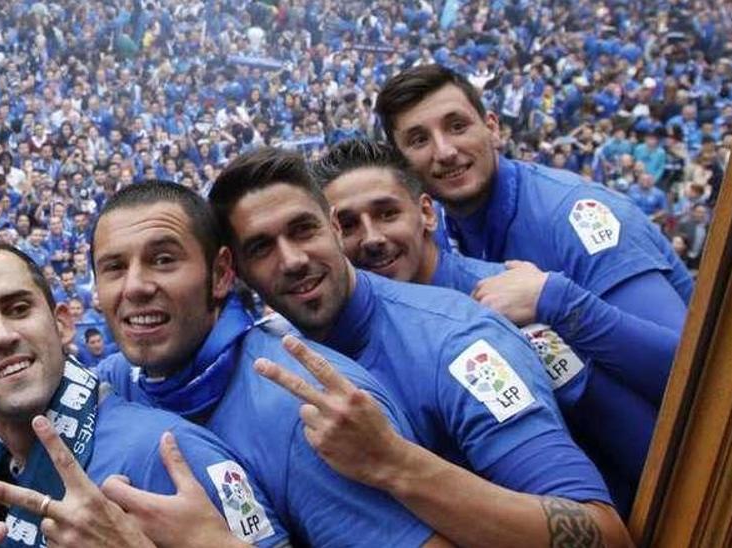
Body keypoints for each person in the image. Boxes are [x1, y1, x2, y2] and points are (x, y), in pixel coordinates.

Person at [208, 146, 629, 546]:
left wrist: (395, 464)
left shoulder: (460, 343)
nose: (293, 259)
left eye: (304, 230)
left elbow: (603, 534)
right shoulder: (268, 367)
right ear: (237, 272)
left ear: (334, 228)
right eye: (261, 248)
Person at [0, 161, 284, 547]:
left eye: (18, 309)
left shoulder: (165, 452)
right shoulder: (5, 473)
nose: (2, 336)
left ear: (63, 324)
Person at [376, 65, 691, 507]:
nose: (444, 151)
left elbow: (692, 373)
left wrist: (557, 301)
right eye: (418, 139)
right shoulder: (443, 232)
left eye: (457, 126)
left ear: (492, 128)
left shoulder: (575, 215)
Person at [80, 180, 442, 546]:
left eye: (163, 260)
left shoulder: (302, 412)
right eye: (114, 267)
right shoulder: (118, 381)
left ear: (221, 273)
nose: (136, 286)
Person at [315, 139, 669, 512]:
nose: (371, 238)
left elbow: (640, 449)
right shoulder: (334, 343)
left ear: (426, 214)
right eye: (349, 224)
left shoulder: (512, 305)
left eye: (387, 214)